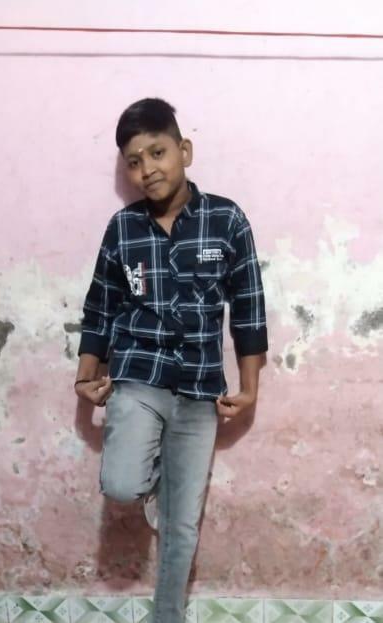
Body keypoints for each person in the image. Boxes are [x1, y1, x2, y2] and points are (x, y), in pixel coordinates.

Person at [74, 98, 268, 623]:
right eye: (134, 162)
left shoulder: (227, 220)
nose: (147, 169)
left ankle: (168, 616)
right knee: (121, 483)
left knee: (182, 524)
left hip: (200, 388)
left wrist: (249, 389)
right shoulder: (123, 228)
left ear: (184, 150)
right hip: (138, 377)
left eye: (157, 153)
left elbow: (248, 310)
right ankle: (155, 470)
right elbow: (100, 307)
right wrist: (85, 374)